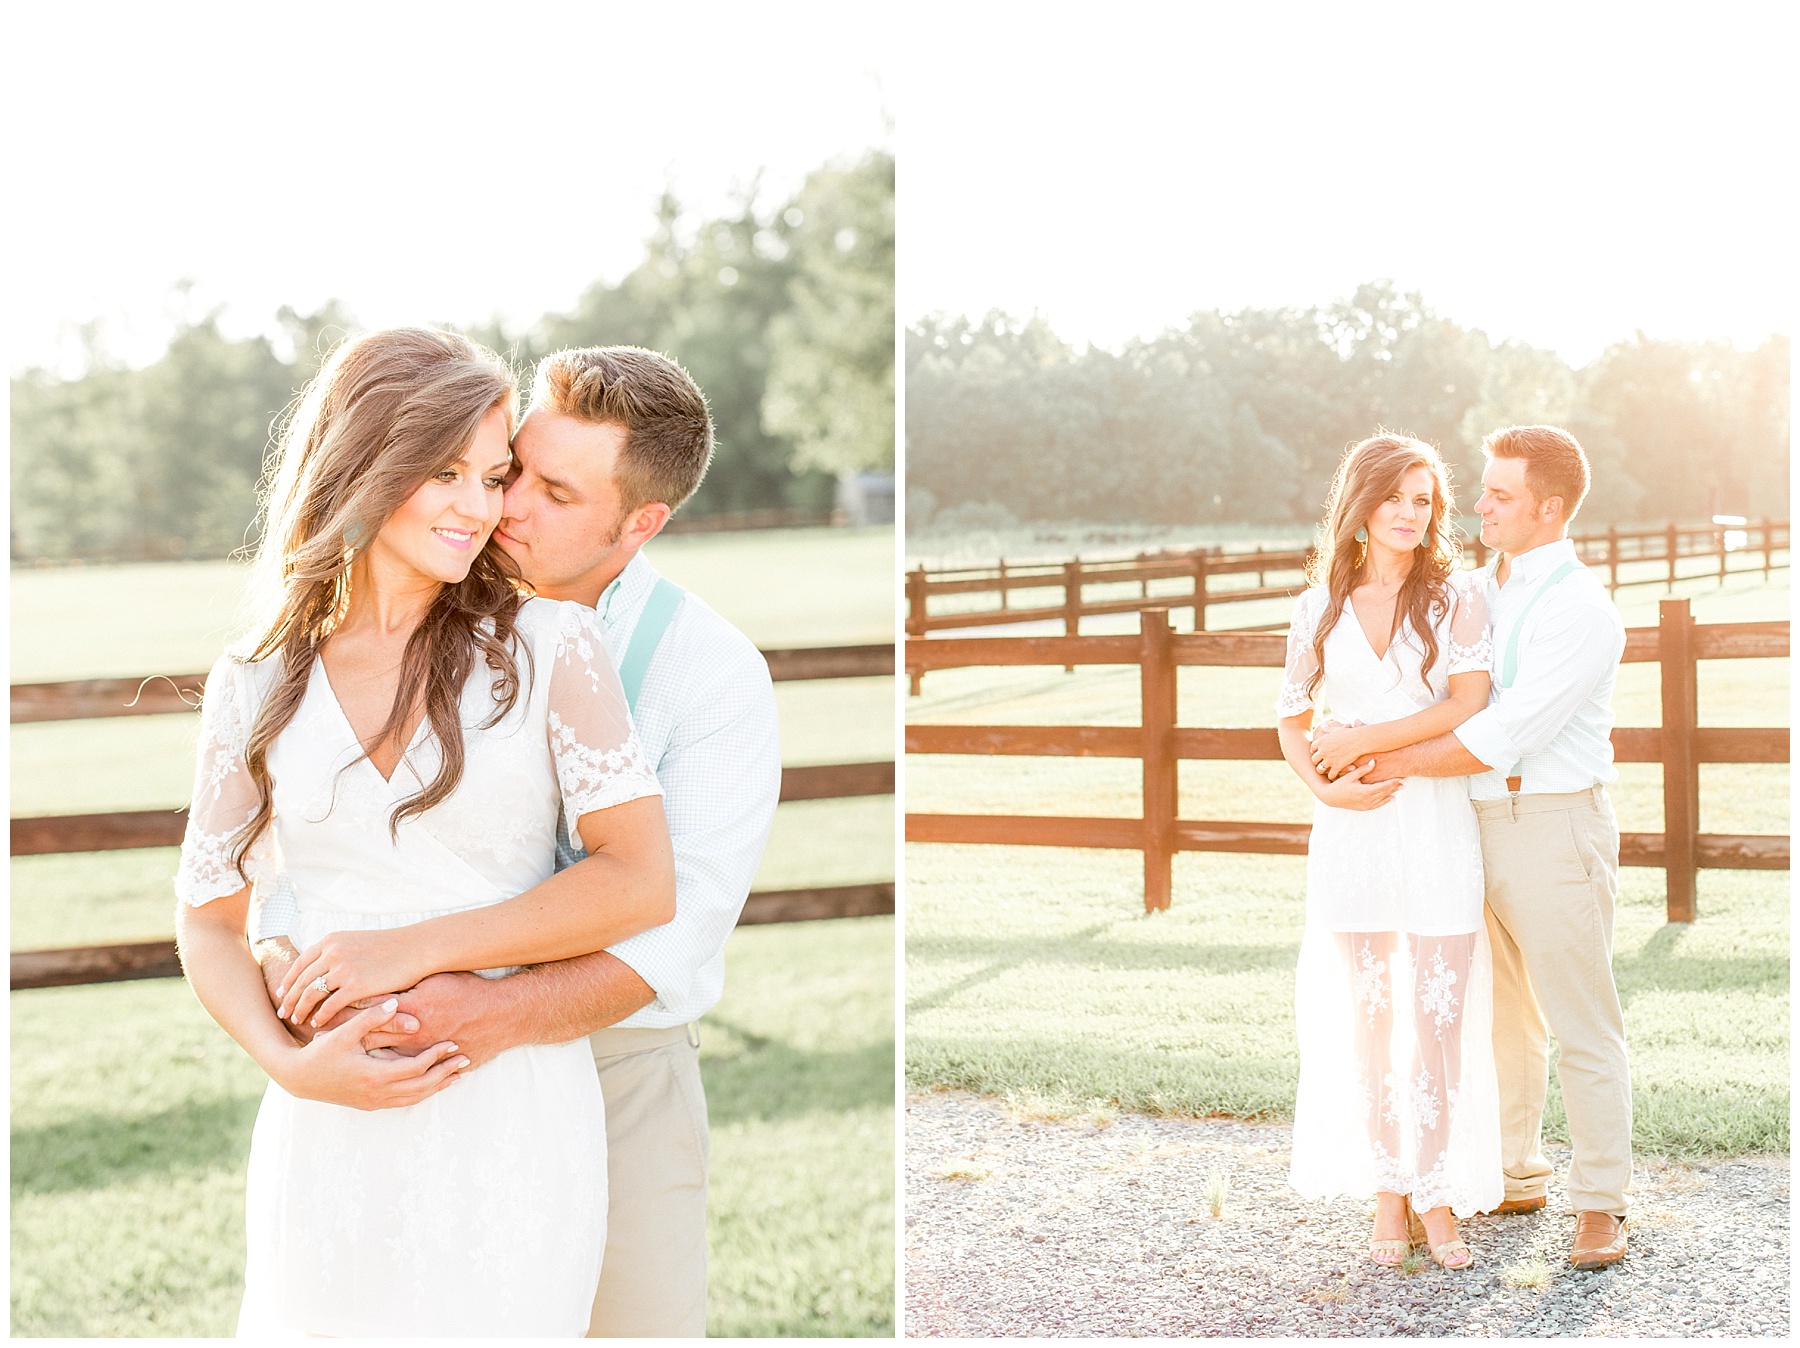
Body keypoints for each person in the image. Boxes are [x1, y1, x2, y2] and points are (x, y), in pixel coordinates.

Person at [253, 344, 782, 1336]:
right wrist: (293, 962)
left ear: (639, 523)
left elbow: (677, 923)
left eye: (555, 492)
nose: (507, 508)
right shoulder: (417, 610)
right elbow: (313, 840)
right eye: (511, 472)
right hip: (399, 1057)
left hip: (616, 1064)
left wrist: (498, 1011)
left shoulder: (709, 673)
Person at [174, 327, 677, 1336]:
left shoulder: (548, 646)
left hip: (511, 1117)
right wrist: (290, 1063)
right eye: (445, 472)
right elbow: (209, 920)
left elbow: (638, 881)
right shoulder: (258, 679)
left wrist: (411, 949)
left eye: (492, 477)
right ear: (367, 459)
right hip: (329, 1123)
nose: (478, 507)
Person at [1358, 425, 1631, 1272]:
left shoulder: (1582, 610)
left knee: (1582, 1021)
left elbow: (1503, 732)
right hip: (1468, 825)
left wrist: (1381, 760)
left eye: (1500, 494)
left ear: (1550, 508)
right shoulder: (1472, 588)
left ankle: (1602, 1204)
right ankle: (1516, 1174)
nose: (1478, 505)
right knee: (1499, 1016)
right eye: (1482, 489)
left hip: (1552, 825)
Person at [1276, 432, 1502, 1270]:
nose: (1409, 513)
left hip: (1436, 824)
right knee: (1371, 1021)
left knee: (1436, 1022)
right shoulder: (1318, 608)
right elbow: (1290, 718)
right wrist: (1325, 787)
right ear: (1362, 504)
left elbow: (1468, 702)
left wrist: (1366, 739)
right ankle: (1387, 1192)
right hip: (1353, 831)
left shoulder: (1456, 597)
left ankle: (1437, 1195)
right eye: (1395, 497)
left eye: (1423, 500)